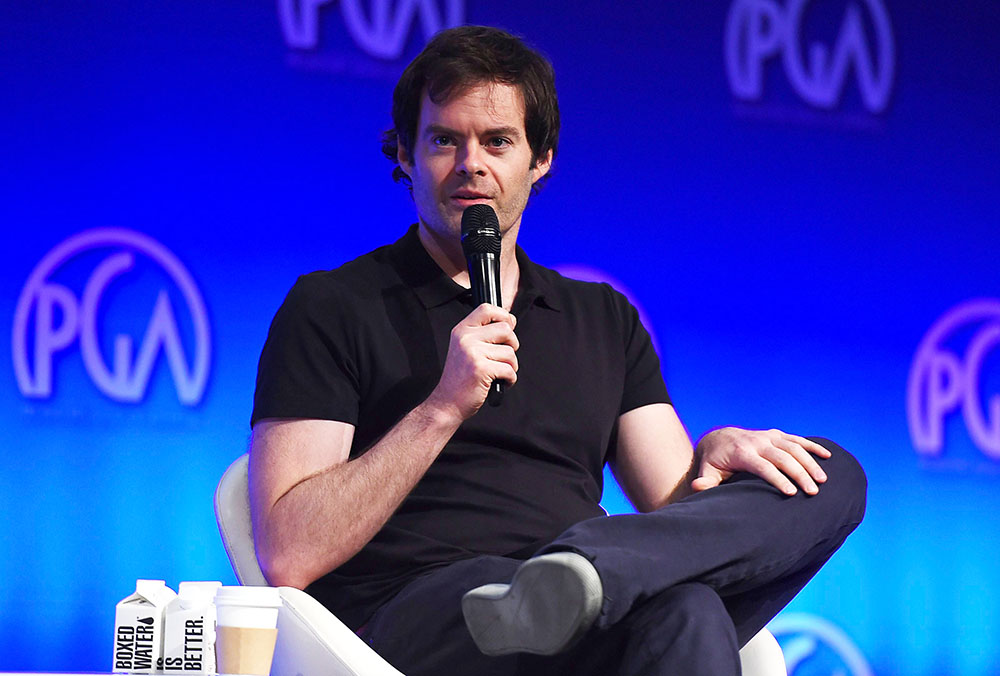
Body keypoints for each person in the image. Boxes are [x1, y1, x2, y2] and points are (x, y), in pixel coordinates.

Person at [249, 25, 866, 676]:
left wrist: (711, 456)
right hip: (426, 611)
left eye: (497, 141)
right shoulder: (335, 305)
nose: (470, 165)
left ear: (540, 159)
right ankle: (580, 584)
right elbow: (290, 551)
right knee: (682, 610)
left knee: (833, 478)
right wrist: (440, 409)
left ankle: (584, 579)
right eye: (443, 140)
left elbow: (678, 513)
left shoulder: (602, 318)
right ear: (405, 153)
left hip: (586, 594)